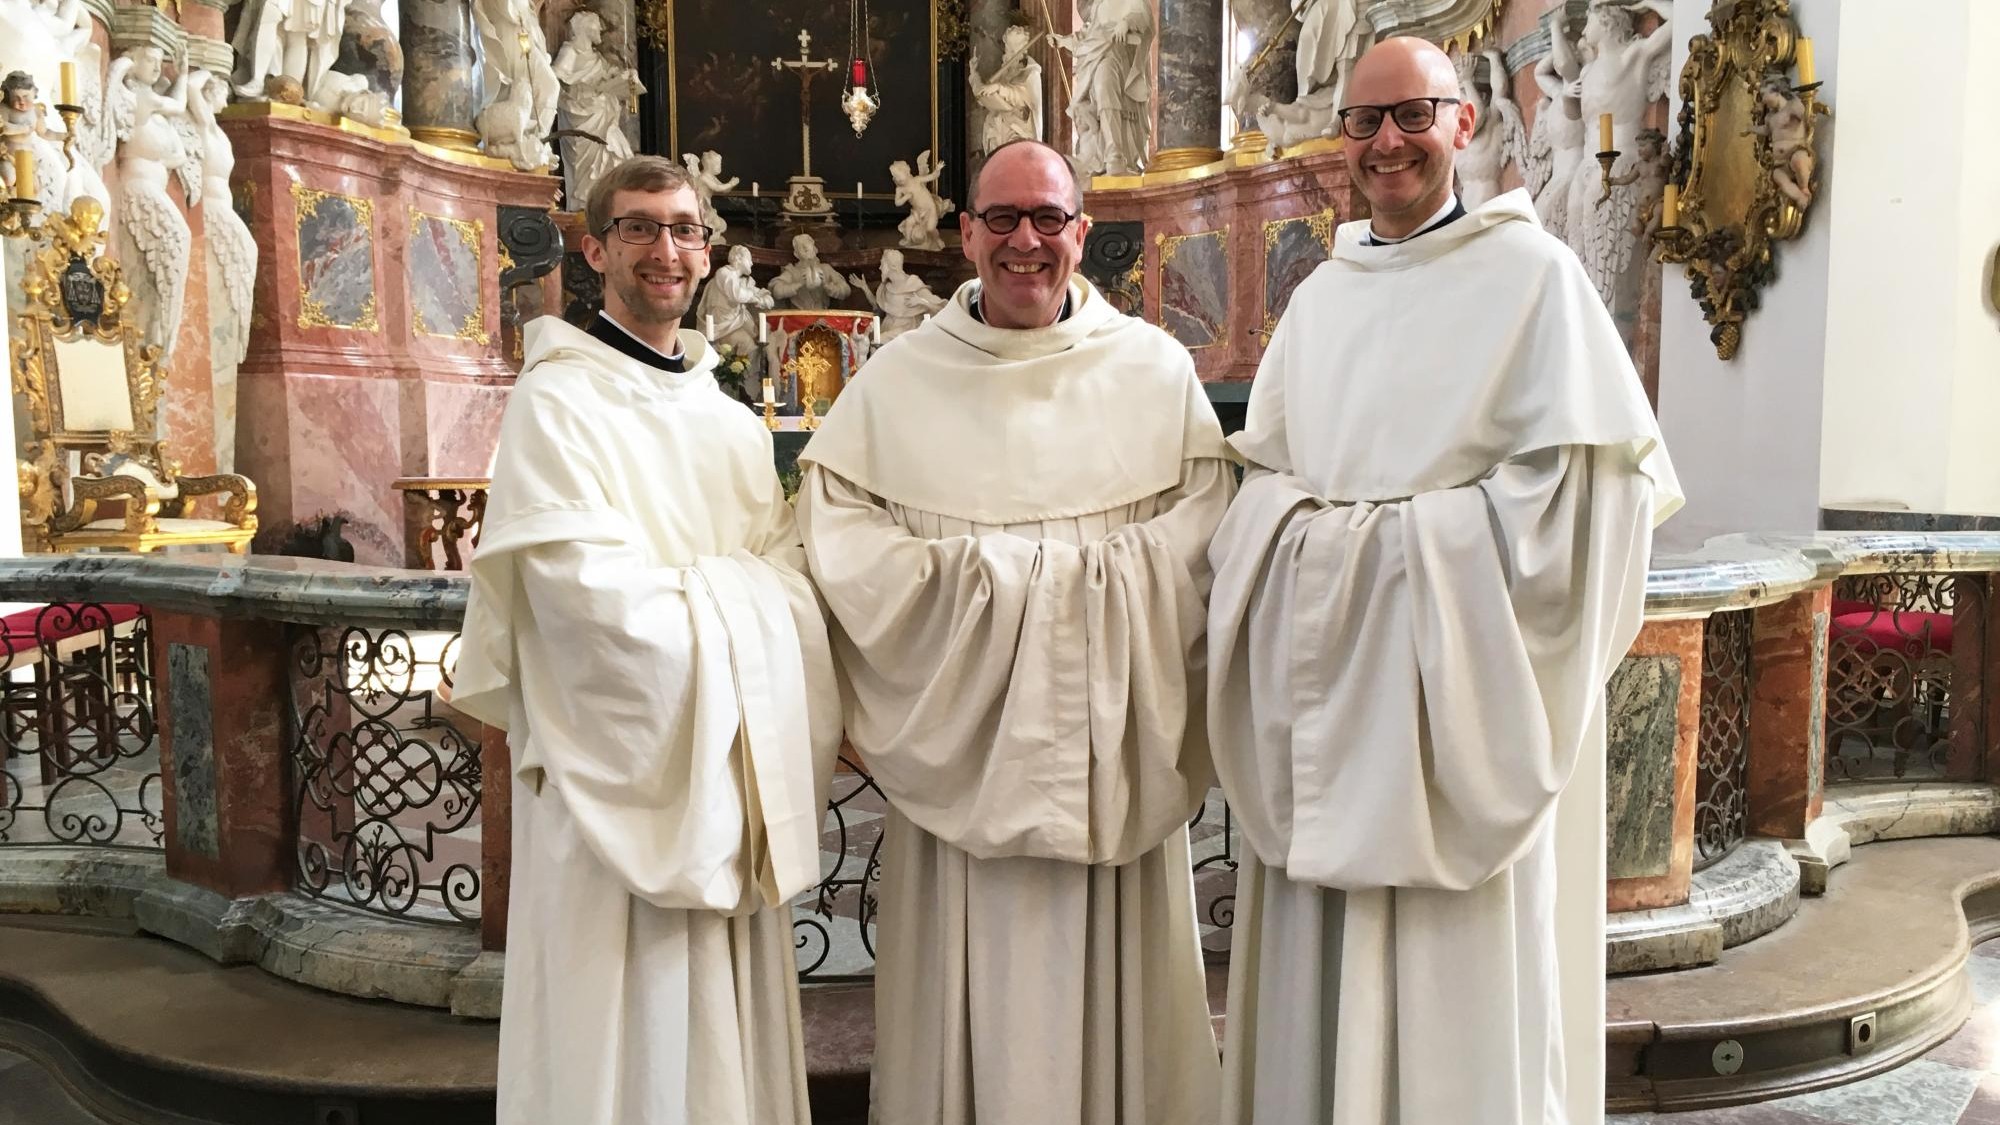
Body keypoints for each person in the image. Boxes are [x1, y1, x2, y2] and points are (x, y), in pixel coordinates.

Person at [1207, 37, 1681, 1125]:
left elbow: (1584, 519)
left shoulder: (1533, 284)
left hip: (1463, 714)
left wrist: (1382, 556)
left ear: (1463, 123)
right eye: (1365, 122)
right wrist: (1316, 548)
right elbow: (1262, 498)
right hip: (1329, 718)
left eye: (1412, 115)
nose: (1387, 143)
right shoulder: (1319, 302)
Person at [795, 137, 1231, 1125]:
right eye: (1002, 218)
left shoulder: (1153, 375)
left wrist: (1064, 590)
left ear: (1081, 233)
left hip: (1108, 765)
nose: (1025, 241)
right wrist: (1004, 589)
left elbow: (1205, 534)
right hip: (961, 774)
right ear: (965, 235)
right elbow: (841, 542)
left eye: (1046, 219)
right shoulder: (899, 384)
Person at [449, 155, 842, 1125]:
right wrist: (742, 613)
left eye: (683, 229)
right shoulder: (557, 402)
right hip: (609, 781)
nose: (665, 250)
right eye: (638, 228)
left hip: (723, 775)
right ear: (594, 249)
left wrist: (739, 606)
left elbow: (792, 589)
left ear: (706, 253)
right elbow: (586, 608)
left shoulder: (729, 422)